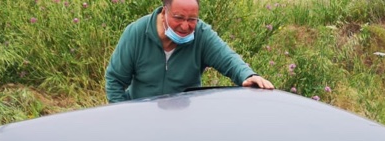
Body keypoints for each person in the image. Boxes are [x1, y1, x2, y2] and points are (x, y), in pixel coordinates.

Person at [104, 0, 274, 103]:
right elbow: (115, 79)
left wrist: (248, 76)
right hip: (142, 116)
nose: (185, 26)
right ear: (164, 12)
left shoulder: (201, 34)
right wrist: (127, 116)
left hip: (185, 119)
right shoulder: (137, 33)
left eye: (192, 19)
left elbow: (228, 59)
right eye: (178, 18)